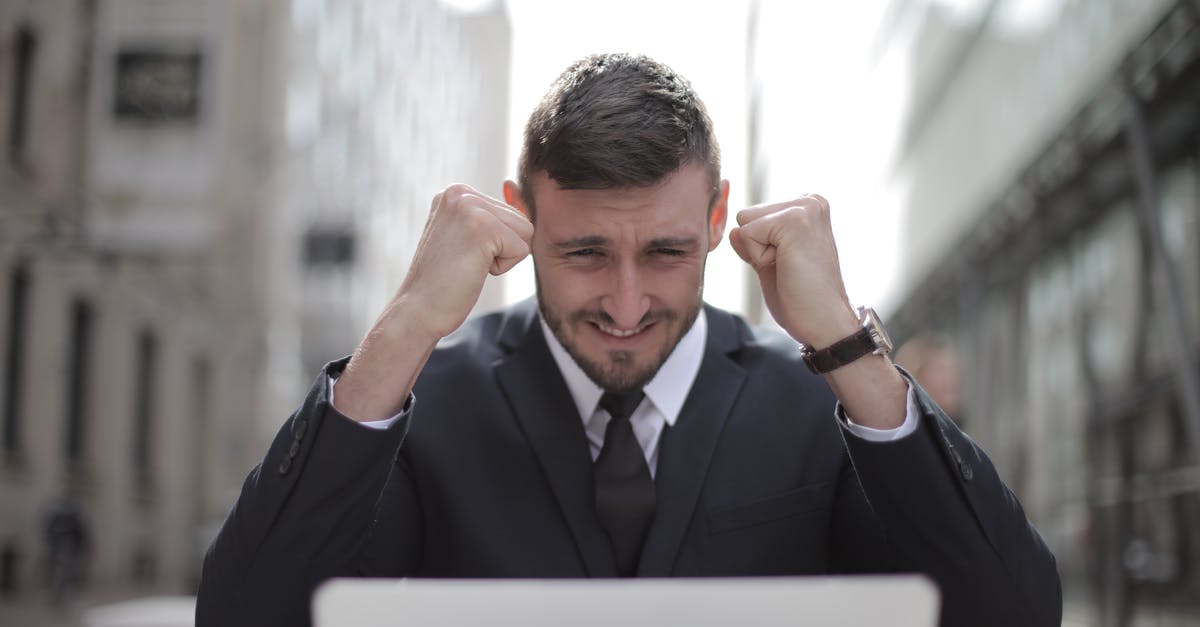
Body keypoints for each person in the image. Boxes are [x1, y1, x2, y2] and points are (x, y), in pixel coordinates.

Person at [197, 53, 1060, 627]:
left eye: (666, 251)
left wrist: (842, 340)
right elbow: (245, 613)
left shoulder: (817, 404)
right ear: (521, 216)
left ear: (718, 218)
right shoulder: (428, 403)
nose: (624, 301)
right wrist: (407, 325)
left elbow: (1014, 609)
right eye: (583, 253)